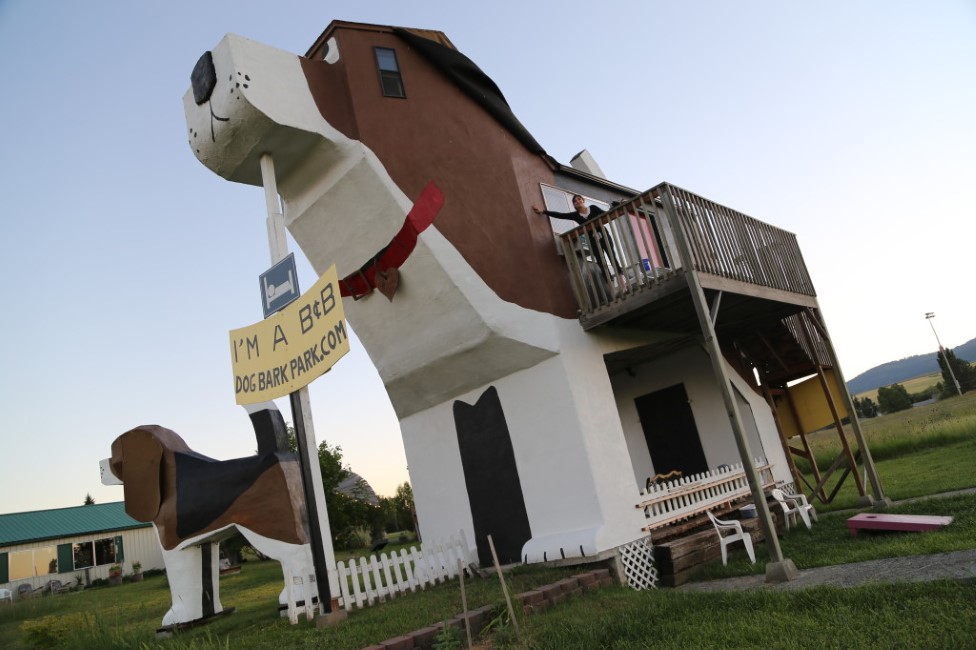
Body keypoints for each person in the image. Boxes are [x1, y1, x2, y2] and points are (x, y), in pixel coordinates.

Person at [532, 195, 626, 291]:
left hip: (604, 235)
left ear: (583, 200)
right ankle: (612, 288)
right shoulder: (575, 215)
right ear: (574, 204)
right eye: (575, 201)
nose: (577, 201)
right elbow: (561, 215)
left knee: (612, 257)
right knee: (601, 262)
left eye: (579, 199)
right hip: (592, 239)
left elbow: (606, 214)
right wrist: (543, 211)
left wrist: (617, 206)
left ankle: (623, 286)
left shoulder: (593, 208)